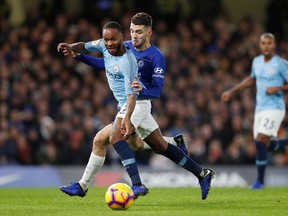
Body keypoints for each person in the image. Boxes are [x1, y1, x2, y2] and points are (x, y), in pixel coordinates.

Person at [59, 12, 214, 200]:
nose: (134, 35)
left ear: (149, 33)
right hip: (126, 103)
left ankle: (131, 185)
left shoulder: (155, 56)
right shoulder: (122, 46)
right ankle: (201, 172)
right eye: (132, 31)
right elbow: (106, 64)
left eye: (139, 32)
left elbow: (157, 91)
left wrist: (142, 89)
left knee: (110, 138)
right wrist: (78, 56)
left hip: (138, 103)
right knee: (155, 146)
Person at [221, 32, 288, 189]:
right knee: (264, 145)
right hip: (260, 109)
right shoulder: (256, 61)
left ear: (274, 45)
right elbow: (251, 80)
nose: (266, 46)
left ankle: (259, 182)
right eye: (263, 43)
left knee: (259, 141)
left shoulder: (281, 64)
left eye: (269, 43)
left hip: (275, 108)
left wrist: (278, 87)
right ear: (259, 46)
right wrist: (232, 91)